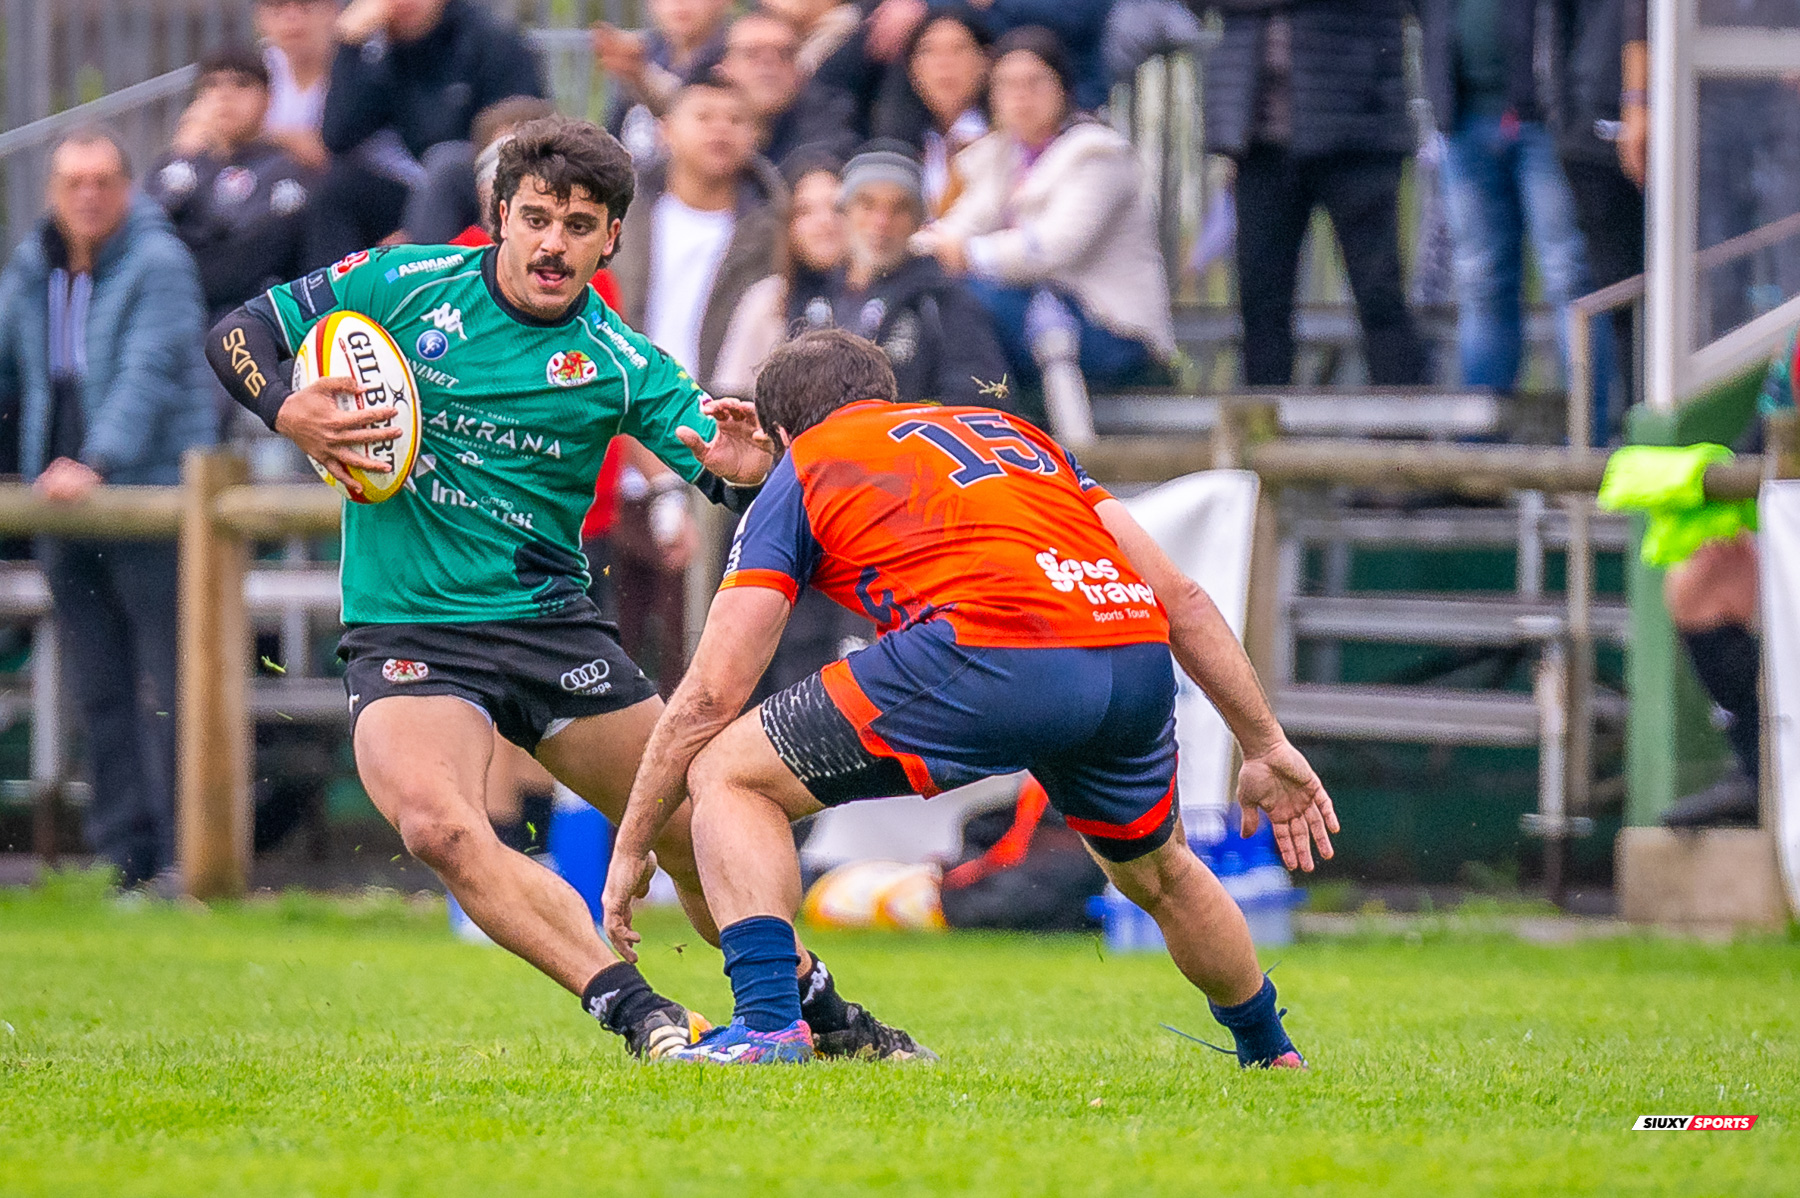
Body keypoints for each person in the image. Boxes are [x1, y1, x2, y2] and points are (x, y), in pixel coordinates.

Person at [205, 116, 925, 1061]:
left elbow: (718, 466)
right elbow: (240, 332)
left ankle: (821, 1012)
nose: (553, 244)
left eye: (579, 226)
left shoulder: (620, 361)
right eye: (537, 219)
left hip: (553, 634)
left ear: (611, 237)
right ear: (501, 215)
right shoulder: (401, 284)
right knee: (438, 828)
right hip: (409, 628)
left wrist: (751, 470)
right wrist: (286, 409)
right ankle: (644, 1016)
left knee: (699, 827)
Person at [602, 328, 1336, 1065]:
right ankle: (1271, 1050)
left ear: (783, 432)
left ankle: (767, 1028)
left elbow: (710, 694)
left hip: (996, 650)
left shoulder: (808, 462)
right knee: (1162, 872)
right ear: (882, 394)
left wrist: (633, 844)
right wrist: (1265, 744)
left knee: (727, 774)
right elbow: (1184, 598)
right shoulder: (1014, 434)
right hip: (1128, 653)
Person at [0, 128, 216, 889]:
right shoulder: (34, 266)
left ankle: (189, 858)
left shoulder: (159, 262)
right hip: (62, 506)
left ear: (127, 188)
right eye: (73, 182)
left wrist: (95, 463)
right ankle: (123, 858)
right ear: (52, 193)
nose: (88, 196)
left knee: (171, 686)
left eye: (102, 181)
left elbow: (147, 374)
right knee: (99, 687)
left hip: (148, 500)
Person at [916, 28, 1175, 397]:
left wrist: (967, 254)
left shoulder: (1098, 152)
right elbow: (959, 225)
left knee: (970, 298)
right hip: (1040, 322)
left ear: (1063, 89)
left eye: (1035, 82)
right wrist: (913, 251)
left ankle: (985, 408)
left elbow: (1054, 247)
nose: (1020, 95)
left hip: (1112, 332)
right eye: (1007, 84)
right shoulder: (997, 155)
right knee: (929, 293)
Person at [1199, 0, 1429, 387]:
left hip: (1359, 132)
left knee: (1379, 297)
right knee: (1260, 304)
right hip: (1259, 141)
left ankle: (1406, 423)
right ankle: (1264, 423)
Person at [1420, 0, 1593, 396]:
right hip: (1461, 120)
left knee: (1568, 275)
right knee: (1480, 282)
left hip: (1544, 121)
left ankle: (1588, 425)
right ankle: (1484, 429)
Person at [312, 0, 544, 264]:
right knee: (334, 184)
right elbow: (338, 137)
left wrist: (418, 224)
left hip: (480, 188)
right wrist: (348, 46)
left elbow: (522, 139)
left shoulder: (490, 40)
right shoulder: (379, 50)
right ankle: (332, 287)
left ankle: (421, 280)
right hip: (412, 187)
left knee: (444, 164)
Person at [611, 80, 786, 392]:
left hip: (720, 405)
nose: (721, 129)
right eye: (704, 117)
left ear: (755, 136)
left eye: (735, 120)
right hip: (623, 395)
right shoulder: (621, 214)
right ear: (665, 131)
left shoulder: (776, 231)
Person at [811, 144, 1009, 405]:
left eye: (899, 208)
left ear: (918, 222)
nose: (882, 222)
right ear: (845, 212)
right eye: (867, 205)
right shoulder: (811, 295)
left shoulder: (943, 301)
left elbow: (981, 396)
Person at [148, 48, 314, 327]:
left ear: (269, 97)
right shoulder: (180, 162)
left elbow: (264, 246)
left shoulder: (287, 167)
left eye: (241, 84)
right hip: (180, 312)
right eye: (212, 85)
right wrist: (184, 157)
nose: (225, 96)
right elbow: (146, 226)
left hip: (258, 313)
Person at [1549, 0, 1642, 436]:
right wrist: (1565, 117)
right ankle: (1621, 434)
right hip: (1590, 131)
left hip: (1689, 119)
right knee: (1616, 299)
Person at [713, 153, 847, 399]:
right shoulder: (766, 301)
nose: (825, 222)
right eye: (805, 211)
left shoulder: (881, 298)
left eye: (838, 208)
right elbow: (732, 391)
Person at [871, 8, 991, 219]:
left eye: (958, 49)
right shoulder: (908, 146)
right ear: (913, 70)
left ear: (985, 61)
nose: (944, 63)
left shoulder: (1001, 136)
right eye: (929, 51)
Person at [594, 0, 734, 166]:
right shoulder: (644, 51)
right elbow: (611, 140)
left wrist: (642, 77)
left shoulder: (738, 57)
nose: (679, 3)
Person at [716, 11, 859, 168]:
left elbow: (828, 151)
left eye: (785, 54)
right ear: (723, 68)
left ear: (799, 70)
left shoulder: (827, 111)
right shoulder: (702, 112)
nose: (769, 63)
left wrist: (811, 171)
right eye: (752, 53)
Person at [258, 0, 340, 175]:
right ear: (260, 18)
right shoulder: (256, 67)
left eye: (305, 3)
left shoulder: (364, 66)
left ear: (332, 10)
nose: (292, 16)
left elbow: (328, 155)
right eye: (277, 5)